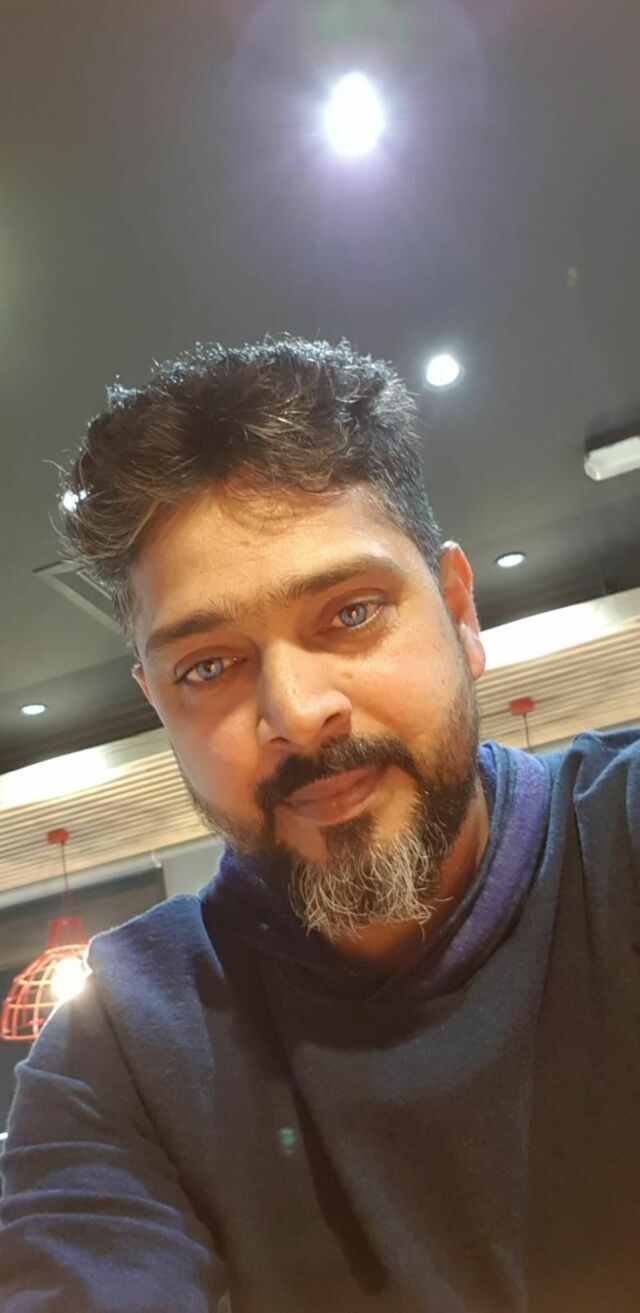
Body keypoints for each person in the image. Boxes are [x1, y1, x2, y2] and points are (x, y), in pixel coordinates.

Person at [0, 338, 638, 1313]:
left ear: (459, 610)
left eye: (350, 612)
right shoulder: (122, 1044)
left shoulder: (620, 844)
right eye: (207, 666)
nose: (296, 713)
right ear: (159, 703)